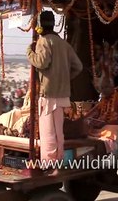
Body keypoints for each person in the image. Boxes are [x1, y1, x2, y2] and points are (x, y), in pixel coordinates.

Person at [26, 11, 83, 167]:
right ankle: (59, 159)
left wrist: (30, 52)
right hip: (63, 94)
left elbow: (42, 63)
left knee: (48, 131)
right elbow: (78, 67)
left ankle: (49, 163)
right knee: (59, 131)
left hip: (49, 93)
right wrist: (65, 79)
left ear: (39, 26)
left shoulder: (43, 41)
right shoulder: (64, 44)